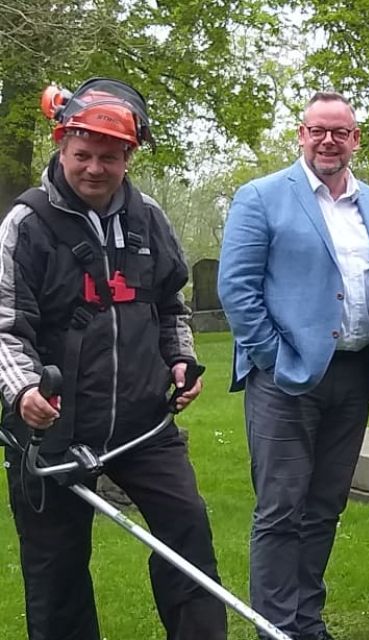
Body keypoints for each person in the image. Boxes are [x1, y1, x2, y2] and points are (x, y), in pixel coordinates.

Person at [0, 77, 224, 640]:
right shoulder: (24, 226)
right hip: (52, 427)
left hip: (143, 421)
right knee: (56, 570)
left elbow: (171, 303)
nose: (94, 168)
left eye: (108, 157)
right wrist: (24, 391)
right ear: (61, 144)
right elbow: (4, 327)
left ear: (128, 155)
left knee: (187, 533)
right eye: (82, 155)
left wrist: (180, 359)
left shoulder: (147, 218)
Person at [218, 91, 369, 640]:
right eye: (317, 130)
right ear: (301, 135)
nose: (328, 140)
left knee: (324, 506)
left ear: (355, 139)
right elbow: (237, 289)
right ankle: (275, 626)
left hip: (350, 376)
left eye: (339, 132)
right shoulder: (262, 197)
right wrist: (275, 357)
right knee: (280, 509)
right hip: (284, 381)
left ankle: (307, 621)